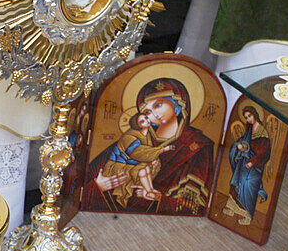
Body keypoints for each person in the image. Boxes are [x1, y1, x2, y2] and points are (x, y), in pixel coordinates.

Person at [83, 77, 216, 215]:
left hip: (161, 225)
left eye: (158, 105)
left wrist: (159, 199)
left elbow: (195, 208)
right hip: (108, 217)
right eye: (147, 112)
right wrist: (98, 186)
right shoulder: (132, 138)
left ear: (178, 102)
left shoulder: (198, 146)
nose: (154, 114)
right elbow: (85, 187)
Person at [100, 112, 175, 207]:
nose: (147, 121)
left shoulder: (146, 135)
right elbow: (138, 153)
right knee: (143, 169)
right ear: (137, 125)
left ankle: (149, 190)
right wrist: (162, 149)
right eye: (142, 121)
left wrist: (153, 159)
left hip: (133, 163)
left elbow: (146, 153)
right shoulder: (129, 136)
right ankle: (148, 191)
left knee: (147, 168)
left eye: (146, 118)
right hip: (118, 165)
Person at [222, 106, 271, 225]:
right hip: (243, 163)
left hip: (254, 166)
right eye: (246, 117)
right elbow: (243, 142)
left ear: (255, 115)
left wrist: (252, 162)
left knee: (248, 184)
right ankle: (232, 208)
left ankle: (247, 216)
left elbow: (265, 153)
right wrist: (238, 146)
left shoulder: (262, 133)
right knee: (237, 182)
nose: (248, 119)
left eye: (250, 116)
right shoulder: (249, 129)